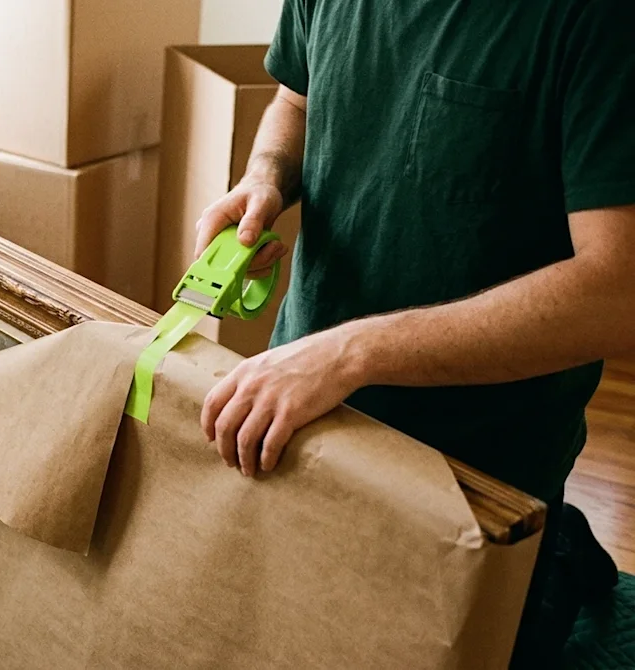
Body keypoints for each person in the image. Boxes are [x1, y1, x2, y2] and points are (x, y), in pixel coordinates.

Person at [192, 1, 634, 666]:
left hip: (481, 466)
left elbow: (616, 293)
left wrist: (352, 351)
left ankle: (558, 559)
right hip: (308, 403)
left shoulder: (600, 23)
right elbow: (296, 101)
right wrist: (266, 178)